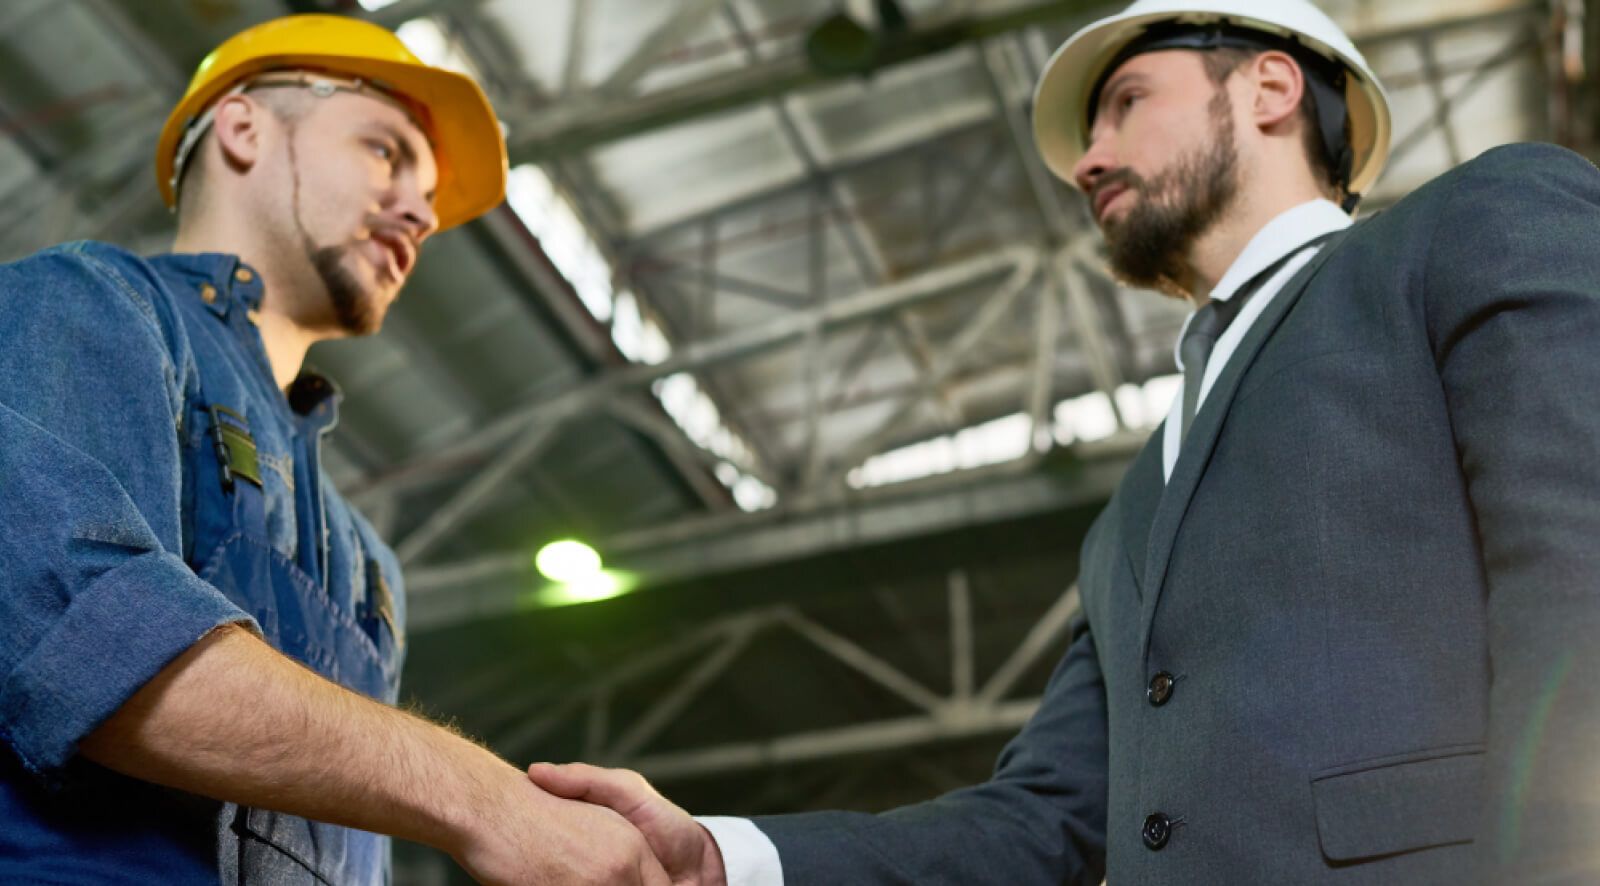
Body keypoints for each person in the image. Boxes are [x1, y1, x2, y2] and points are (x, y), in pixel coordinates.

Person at [529, 0, 1600, 882]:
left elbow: (1579, 583)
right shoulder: (1132, 513)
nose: (1087, 161)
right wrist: (724, 856)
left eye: (1126, 103)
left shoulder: (1474, 224)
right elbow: (1041, 821)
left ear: (1270, 88)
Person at [0, 15, 669, 885]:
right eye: (386, 151)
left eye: (428, 193)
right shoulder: (87, 304)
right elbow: (85, 636)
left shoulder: (369, 563)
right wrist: (487, 800)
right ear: (242, 128)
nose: (422, 214)